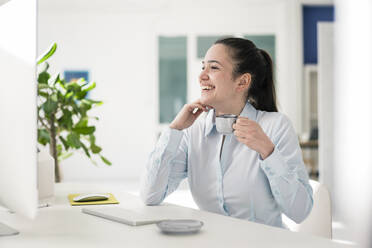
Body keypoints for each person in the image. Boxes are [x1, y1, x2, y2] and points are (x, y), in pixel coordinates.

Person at [140, 37, 313, 228]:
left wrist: (268, 151)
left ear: (242, 82)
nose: (202, 76)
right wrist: (175, 130)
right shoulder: (193, 130)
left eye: (213, 68)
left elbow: (300, 212)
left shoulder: (275, 126)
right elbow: (150, 195)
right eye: (203, 67)